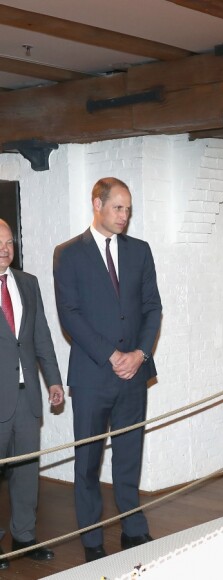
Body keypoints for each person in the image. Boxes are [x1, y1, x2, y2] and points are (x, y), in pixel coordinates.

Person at [53, 178, 162, 562]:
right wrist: (111, 355)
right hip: (92, 376)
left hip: (135, 375)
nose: (125, 216)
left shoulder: (141, 251)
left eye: (129, 209)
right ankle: (92, 539)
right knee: (88, 462)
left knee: (129, 456)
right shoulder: (67, 254)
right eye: (118, 207)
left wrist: (139, 354)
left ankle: (134, 529)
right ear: (97, 204)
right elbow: (71, 315)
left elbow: (153, 308)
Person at [0, 219, 64, 570]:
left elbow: (41, 337)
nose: (5, 249)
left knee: (26, 471)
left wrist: (53, 380)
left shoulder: (28, 283)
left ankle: (24, 538)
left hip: (28, 398)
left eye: (9, 242)